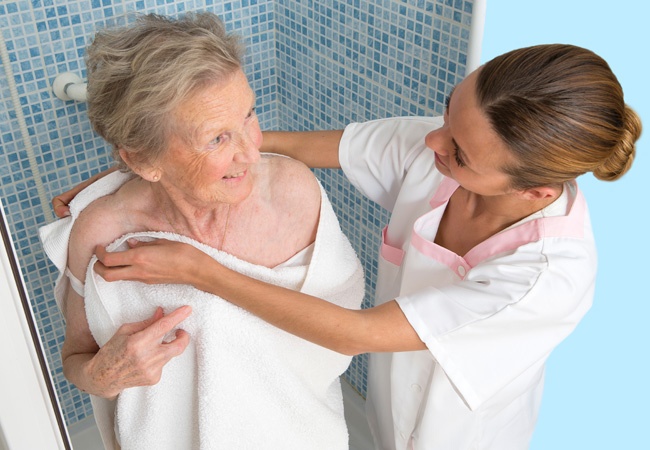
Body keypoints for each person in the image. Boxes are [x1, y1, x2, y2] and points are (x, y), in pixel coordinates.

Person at [59, 44, 641, 449]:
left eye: (459, 153)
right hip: (382, 415)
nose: (432, 140)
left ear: (535, 189)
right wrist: (145, 171)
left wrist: (202, 271)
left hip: (464, 434)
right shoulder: (439, 146)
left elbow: (357, 332)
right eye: (446, 113)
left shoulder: (546, 277)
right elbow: (308, 147)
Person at [39, 12, 364, 450]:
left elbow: (344, 334)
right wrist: (101, 376)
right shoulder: (102, 232)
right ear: (140, 160)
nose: (252, 152)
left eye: (249, 113)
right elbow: (76, 359)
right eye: (216, 140)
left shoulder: (293, 196)